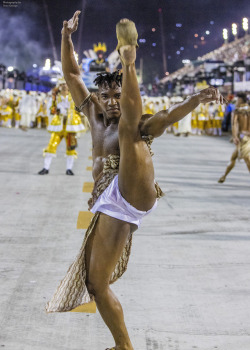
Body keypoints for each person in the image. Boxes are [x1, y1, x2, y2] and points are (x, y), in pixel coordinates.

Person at [46, 11, 225, 350]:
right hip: (111, 200)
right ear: (99, 99)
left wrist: (197, 98)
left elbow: (167, 116)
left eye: (118, 95)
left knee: (132, 127)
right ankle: (122, 345)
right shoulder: (94, 116)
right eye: (107, 96)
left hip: (135, 188)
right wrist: (66, 37)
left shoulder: (136, 124)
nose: (112, 102)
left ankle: (129, 63)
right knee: (95, 283)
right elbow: (71, 73)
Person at [38, 80, 85, 175]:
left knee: (71, 148)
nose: (64, 86)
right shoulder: (55, 97)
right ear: (59, 86)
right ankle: (45, 168)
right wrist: (56, 110)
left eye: (66, 83)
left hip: (71, 126)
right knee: (51, 145)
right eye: (62, 84)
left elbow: (80, 108)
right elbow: (51, 110)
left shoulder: (74, 96)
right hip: (58, 126)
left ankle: (69, 169)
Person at [218, 93, 250, 183]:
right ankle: (224, 175)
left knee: (246, 158)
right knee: (234, 157)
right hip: (247, 137)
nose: (236, 102)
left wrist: (235, 136)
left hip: (242, 137)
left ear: (240, 100)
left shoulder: (237, 111)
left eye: (237, 100)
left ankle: (224, 175)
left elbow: (234, 125)